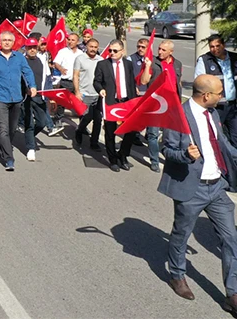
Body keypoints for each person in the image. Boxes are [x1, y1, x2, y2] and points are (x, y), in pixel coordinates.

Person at [159, 74, 237, 311]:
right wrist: (185, 155)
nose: (222, 96)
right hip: (191, 188)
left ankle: (232, 293)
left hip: (216, 187)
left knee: (231, 238)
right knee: (181, 234)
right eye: (219, 93)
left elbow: (221, 144)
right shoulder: (178, 115)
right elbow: (167, 148)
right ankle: (177, 274)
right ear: (206, 96)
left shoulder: (212, 113)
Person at [0, 31, 37, 171]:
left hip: (16, 98)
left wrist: (32, 86)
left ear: (13, 42)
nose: (6, 42)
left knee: (12, 129)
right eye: (4, 40)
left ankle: (3, 147)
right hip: (0, 98)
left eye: (9, 40)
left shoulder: (19, 58)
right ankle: (9, 159)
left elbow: (27, 72)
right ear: (0, 42)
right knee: (3, 129)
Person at [94, 39, 138, 172]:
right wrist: (100, 89)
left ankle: (123, 155)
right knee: (110, 132)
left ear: (122, 51)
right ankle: (112, 159)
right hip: (111, 103)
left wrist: (134, 101)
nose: (111, 53)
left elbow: (131, 83)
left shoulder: (128, 65)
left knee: (130, 131)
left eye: (115, 51)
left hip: (126, 102)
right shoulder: (102, 64)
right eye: (110, 50)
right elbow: (96, 81)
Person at [141, 39, 183, 173]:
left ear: (171, 52)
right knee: (153, 134)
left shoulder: (177, 64)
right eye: (159, 49)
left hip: (172, 105)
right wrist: (147, 66)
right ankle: (154, 161)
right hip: (155, 104)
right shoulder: (152, 62)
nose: (160, 52)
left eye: (163, 50)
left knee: (170, 135)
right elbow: (144, 81)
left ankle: (170, 159)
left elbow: (179, 83)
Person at [194, 34, 237, 152]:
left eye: (218, 46)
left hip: (233, 106)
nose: (215, 49)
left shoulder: (234, 59)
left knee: (235, 137)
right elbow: (199, 82)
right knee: (215, 136)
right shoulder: (205, 60)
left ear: (223, 45)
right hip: (216, 107)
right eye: (211, 46)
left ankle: (233, 165)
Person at [22, 38, 51, 162]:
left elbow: (47, 78)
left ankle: (29, 137)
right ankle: (31, 148)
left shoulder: (41, 60)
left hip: (40, 96)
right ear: (25, 48)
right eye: (29, 47)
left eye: (34, 47)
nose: (32, 49)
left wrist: (50, 97)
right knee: (29, 123)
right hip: (25, 97)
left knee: (42, 122)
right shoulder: (21, 61)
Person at [73, 38, 103, 151]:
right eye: (91, 47)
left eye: (95, 47)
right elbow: (75, 75)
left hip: (97, 94)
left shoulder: (101, 60)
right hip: (85, 94)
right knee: (86, 117)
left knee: (98, 120)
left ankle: (94, 143)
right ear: (87, 47)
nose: (93, 49)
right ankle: (79, 130)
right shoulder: (80, 59)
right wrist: (77, 91)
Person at [51, 33, 83, 120]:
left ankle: (82, 126)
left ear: (77, 42)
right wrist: (61, 69)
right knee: (62, 103)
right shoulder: (63, 51)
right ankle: (58, 121)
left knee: (79, 104)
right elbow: (56, 62)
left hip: (77, 83)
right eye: (69, 39)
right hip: (66, 82)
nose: (70, 42)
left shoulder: (81, 53)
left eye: (73, 40)